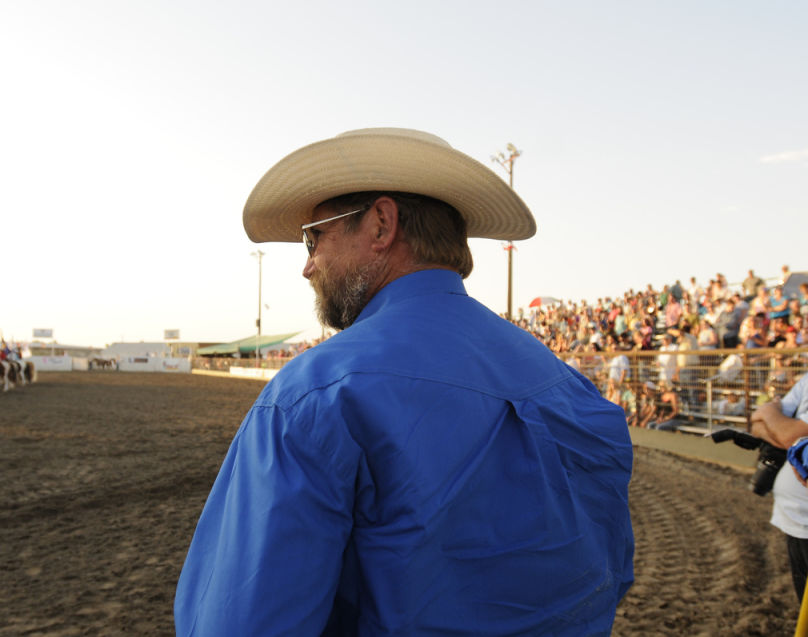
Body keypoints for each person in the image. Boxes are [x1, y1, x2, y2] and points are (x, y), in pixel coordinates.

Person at [175, 128, 634, 635]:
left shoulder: (313, 394)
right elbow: (609, 571)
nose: (308, 265)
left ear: (381, 224)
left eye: (314, 237)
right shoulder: (565, 383)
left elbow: (242, 621)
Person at [751, 372, 808, 602]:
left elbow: (787, 435)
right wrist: (773, 421)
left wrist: (769, 414)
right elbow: (756, 423)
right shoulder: (806, 381)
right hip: (795, 521)